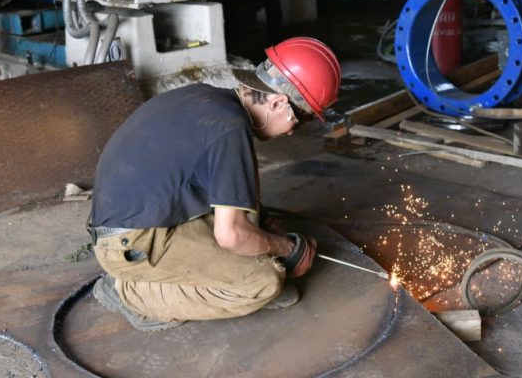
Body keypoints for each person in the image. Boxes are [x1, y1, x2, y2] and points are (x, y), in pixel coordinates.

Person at [89, 37, 341, 330]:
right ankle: (129, 291)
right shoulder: (231, 130)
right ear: (278, 102)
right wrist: (286, 249)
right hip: (131, 243)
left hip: (141, 219)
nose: (290, 133)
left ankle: (226, 278)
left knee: (251, 216)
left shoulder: (211, 98)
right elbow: (231, 235)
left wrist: (267, 227)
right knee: (263, 282)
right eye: (298, 122)